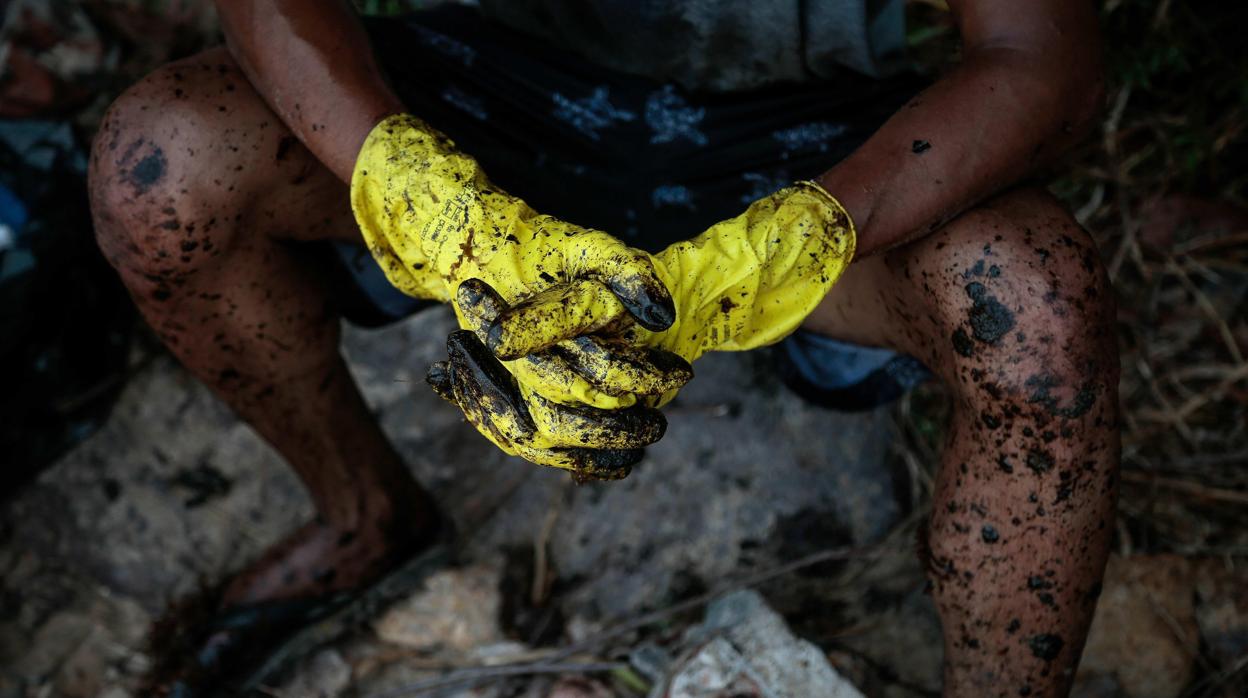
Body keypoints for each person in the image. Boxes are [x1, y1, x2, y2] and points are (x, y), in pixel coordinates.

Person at [87, 0, 1119, 695]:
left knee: (1034, 307)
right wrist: (415, 188)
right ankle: (363, 513)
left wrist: (791, 243)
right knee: (160, 169)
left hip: (808, 136)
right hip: (490, 90)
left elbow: (1043, 61)